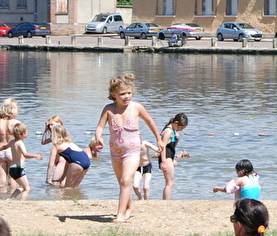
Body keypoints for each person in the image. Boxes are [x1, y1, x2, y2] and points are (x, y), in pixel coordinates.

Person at [90, 73, 162, 223]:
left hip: (133, 150)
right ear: (113, 94)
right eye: (122, 94)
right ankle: (129, 207)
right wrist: (99, 137)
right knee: (123, 182)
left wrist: (159, 139)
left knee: (125, 180)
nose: (126, 96)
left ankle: (120, 215)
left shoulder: (136, 107)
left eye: (129, 93)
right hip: (115, 151)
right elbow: (99, 127)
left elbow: (150, 122)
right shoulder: (109, 109)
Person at [42, 118, 92, 189]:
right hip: (86, 161)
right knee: (75, 187)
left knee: (68, 188)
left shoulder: (56, 146)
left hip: (77, 162)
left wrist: (48, 179)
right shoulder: (69, 142)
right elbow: (69, 161)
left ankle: (69, 199)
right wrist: (62, 177)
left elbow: (50, 164)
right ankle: (77, 200)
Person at [2, 121, 40, 199]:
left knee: (22, 187)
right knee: (27, 188)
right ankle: (22, 202)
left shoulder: (12, 142)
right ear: (23, 133)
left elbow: (5, 146)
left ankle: (10, 199)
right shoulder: (20, 143)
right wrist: (35, 155)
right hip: (18, 169)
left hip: (12, 169)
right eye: (27, 131)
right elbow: (25, 155)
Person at [157, 112, 189, 200]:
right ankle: (166, 201)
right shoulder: (168, 131)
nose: (181, 129)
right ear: (175, 123)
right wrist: (163, 161)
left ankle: (167, 200)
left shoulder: (173, 131)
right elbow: (162, 147)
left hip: (169, 157)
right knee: (169, 183)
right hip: (165, 157)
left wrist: (173, 159)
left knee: (171, 182)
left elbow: (171, 147)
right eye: (181, 127)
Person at [0, 99, 20, 193]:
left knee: (1, 178)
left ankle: (0, 196)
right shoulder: (16, 122)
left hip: (0, 149)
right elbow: (20, 140)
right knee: (12, 177)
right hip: (11, 150)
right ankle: (12, 195)